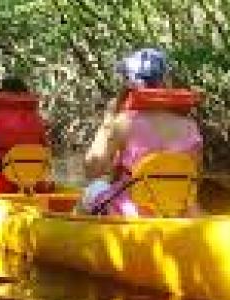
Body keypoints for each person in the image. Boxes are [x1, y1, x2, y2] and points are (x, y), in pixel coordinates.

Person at [80, 48, 203, 216]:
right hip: (178, 211)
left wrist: (107, 121)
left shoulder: (123, 122)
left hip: (134, 213)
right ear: (164, 83)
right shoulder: (190, 126)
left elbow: (92, 170)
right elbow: (195, 178)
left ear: (130, 84)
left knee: (93, 189)